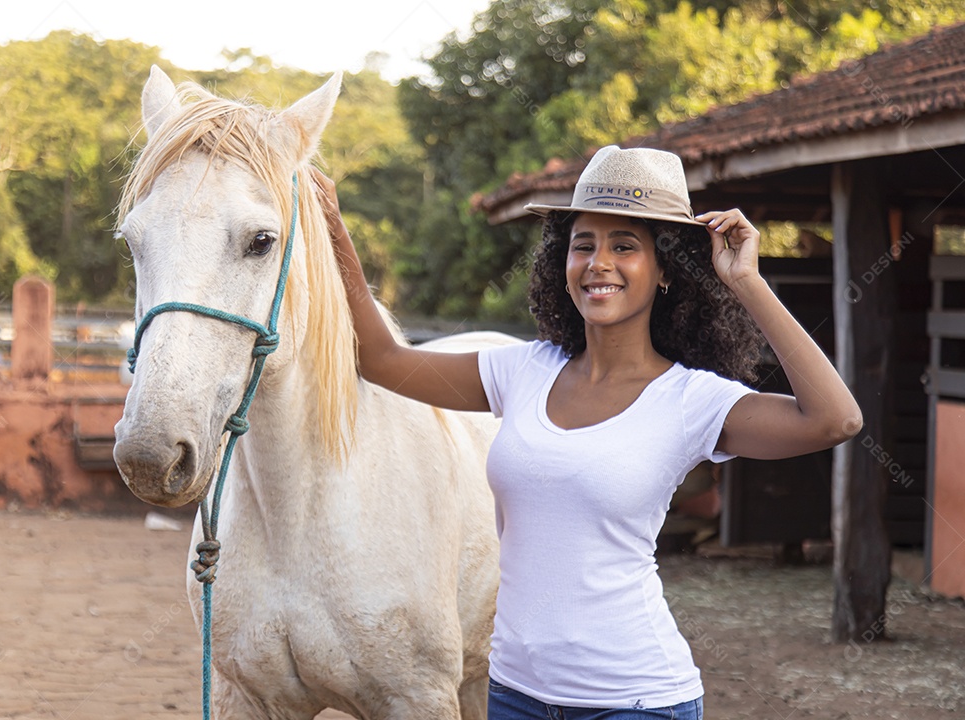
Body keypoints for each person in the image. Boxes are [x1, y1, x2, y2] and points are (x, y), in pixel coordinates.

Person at [312, 145, 862, 720]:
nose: (599, 262)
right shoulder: (522, 370)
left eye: (625, 246)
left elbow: (835, 419)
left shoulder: (690, 399)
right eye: (583, 245)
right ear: (562, 265)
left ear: (665, 269)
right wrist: (331, 224)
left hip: (635, 702)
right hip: (514, 694)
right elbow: (380, 359)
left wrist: (746, 281)